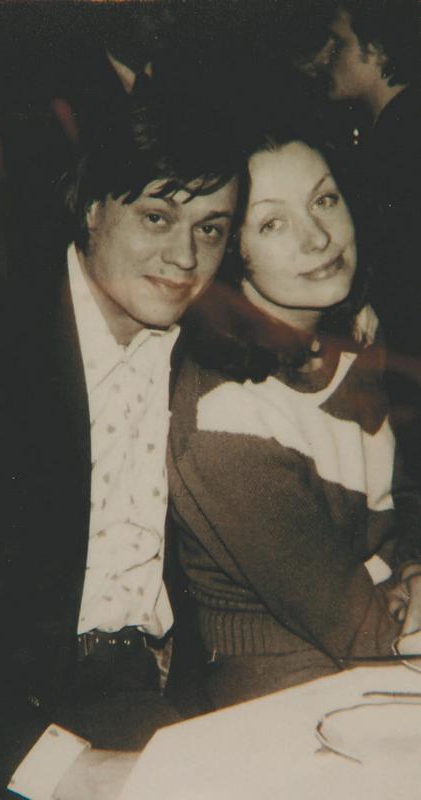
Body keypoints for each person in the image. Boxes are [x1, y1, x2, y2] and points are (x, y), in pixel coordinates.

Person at [0, 99, 241, 800]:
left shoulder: (209, 354)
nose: (186, 258)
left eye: (210, 228)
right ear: (93, 208)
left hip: (156, 692)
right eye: (157, 217)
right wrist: (56, 767)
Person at [168, 126, 421, 711]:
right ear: (231, 253)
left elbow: (404, 500)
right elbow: (356, 631)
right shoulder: (227, 415)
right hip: (287, 688)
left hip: (380, 648)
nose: (318, 238)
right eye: (272, 224)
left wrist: (412, 568)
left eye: (325, 199)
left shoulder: (348, 344)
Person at [300, 0, 421, 480]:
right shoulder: (387, 133)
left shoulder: (400, 139)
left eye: (339, 43)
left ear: (378, 50)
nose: (324, 57)